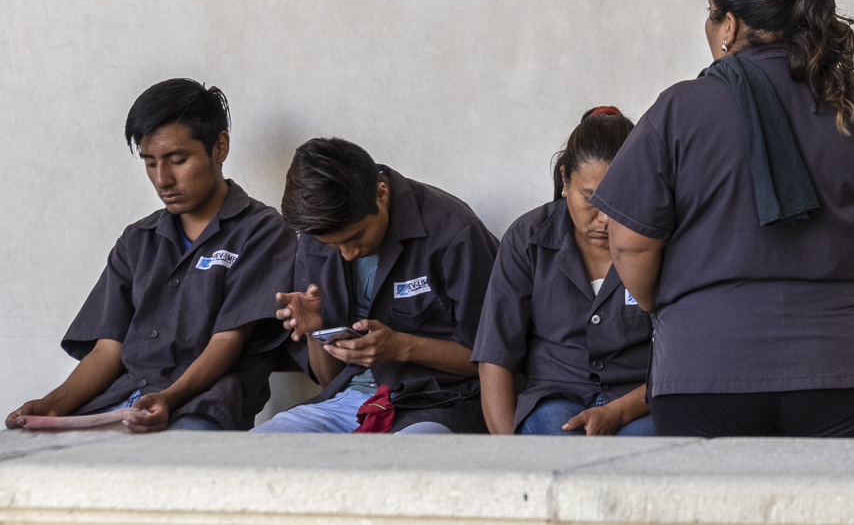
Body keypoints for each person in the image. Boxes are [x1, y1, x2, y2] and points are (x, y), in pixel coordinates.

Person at [590, 0, 854, 438]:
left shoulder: (681, 109)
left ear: (728, 24)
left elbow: (629, 239)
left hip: (704, 367)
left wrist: (674, 305)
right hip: (848, 364)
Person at [5, 79, 293, 433]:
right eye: (150, 162)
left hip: (200, 406)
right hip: (120, 401)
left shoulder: (262, 232)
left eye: (177, 160)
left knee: (165, 468)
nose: (162, 180)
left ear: (219, 147)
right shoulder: (137, 240)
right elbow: (108, 349)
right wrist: (54, 403)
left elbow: (227, 342)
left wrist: (169, 398)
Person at [255, 138, 498, 434]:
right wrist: (313, 332)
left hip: (438, 404)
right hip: (348, 402)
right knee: (255, 451)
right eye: (333, 245)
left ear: (381, 194)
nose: (347, 253)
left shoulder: (453, 232)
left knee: (397, 472)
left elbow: (490, 360)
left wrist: (400, 347)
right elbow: (329, 380)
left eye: (355, 237)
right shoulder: (317, 235)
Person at [473, 107, 655, 436]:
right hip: (555, 397)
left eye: (622, 200)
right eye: (592, 198)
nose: (605, 218)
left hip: (641, 401)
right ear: (564, 180)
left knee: (640, 459)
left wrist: (616, 411)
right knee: (553, 438)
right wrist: (508, 453)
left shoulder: (661, 241)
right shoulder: (527, 239)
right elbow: (495, 356)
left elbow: (684, 356)